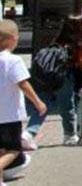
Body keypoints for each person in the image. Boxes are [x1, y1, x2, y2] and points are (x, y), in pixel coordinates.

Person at [25, 16, 82, 147]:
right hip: (63, 77)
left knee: (42, 106)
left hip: (44, 78)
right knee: (67, 106)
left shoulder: (57, 41)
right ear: (80, 27)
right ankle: (69, 135)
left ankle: (28, 133)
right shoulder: (77, 43)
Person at [0, 20, 44, 184]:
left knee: (1, 149)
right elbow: (23, 84)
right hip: (9, 114)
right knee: (14, 149)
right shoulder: (13, 61)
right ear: (12, 39)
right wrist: (38, 102)